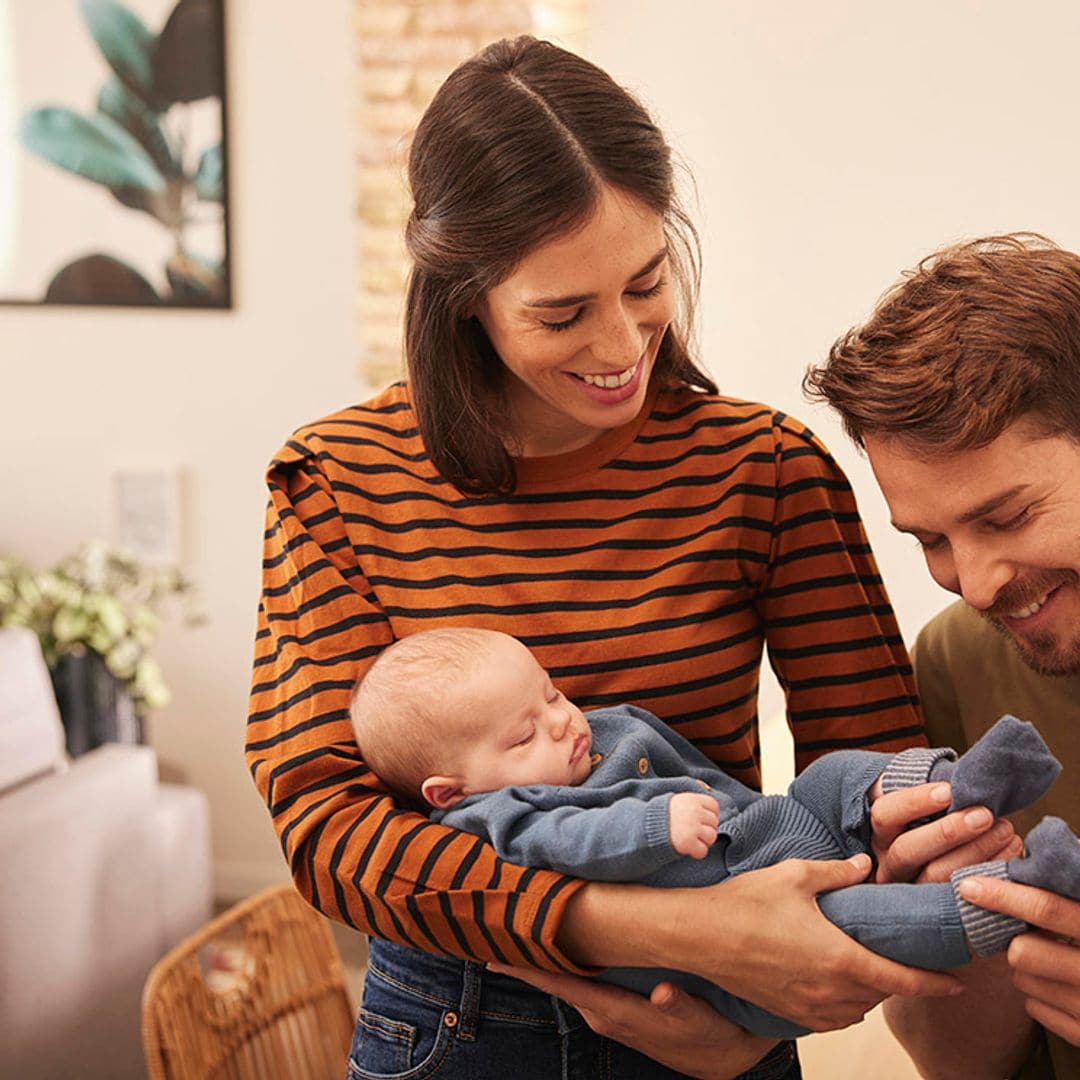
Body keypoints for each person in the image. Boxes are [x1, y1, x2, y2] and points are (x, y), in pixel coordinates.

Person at [248, 37, 1012, 1080]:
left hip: (729, 1023)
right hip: (457, 1028)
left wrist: (751, 1015)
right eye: (561, 312)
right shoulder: (335, 481)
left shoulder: (767, 471)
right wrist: (663, 934)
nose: (620, 347)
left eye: (645, 283)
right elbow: (329, 838)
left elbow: (882, 792)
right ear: (462, 297)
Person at [350, 625, 1078, 1041]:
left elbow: (690, 764)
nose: (564, 721)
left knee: (836, 775)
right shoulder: (497, 817)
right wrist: (655, 827)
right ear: (453, 790)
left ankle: (962, 782)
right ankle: (1019, 892)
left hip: (768, 831)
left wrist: (771, 810)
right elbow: (569, 845)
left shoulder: (592, 735)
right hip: (750, 941)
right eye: (524, 733)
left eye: (552, 692)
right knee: (871, 925)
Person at [805, 232, 1080, 1078]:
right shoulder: (957, 658)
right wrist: (954, 929)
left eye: (1005, 518)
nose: (978, 582)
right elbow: (962, 1065)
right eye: (931, 539)